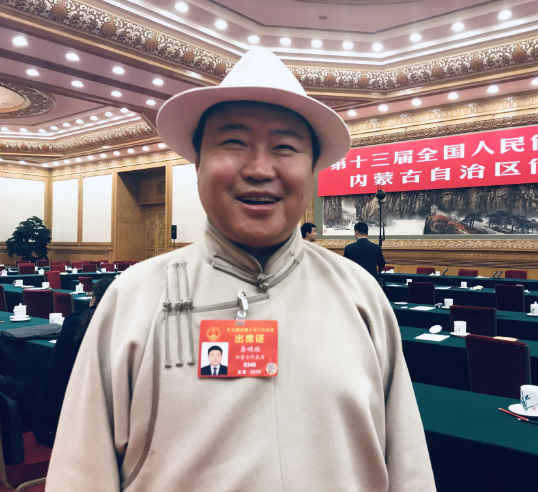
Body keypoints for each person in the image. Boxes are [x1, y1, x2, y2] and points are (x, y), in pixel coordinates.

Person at [46, 49, 435, 492]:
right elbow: (81, 471)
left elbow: (408, 465)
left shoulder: (360, 294)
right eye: (233, 142)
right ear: (197, 164)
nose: (259, 169)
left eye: (285, 147)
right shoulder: (133, 296)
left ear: (312, 171)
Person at [29, 276, 115, 446]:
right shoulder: (115, 327)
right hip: (67, 431)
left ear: (94, 298)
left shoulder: (73, 321)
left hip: (45, 421)